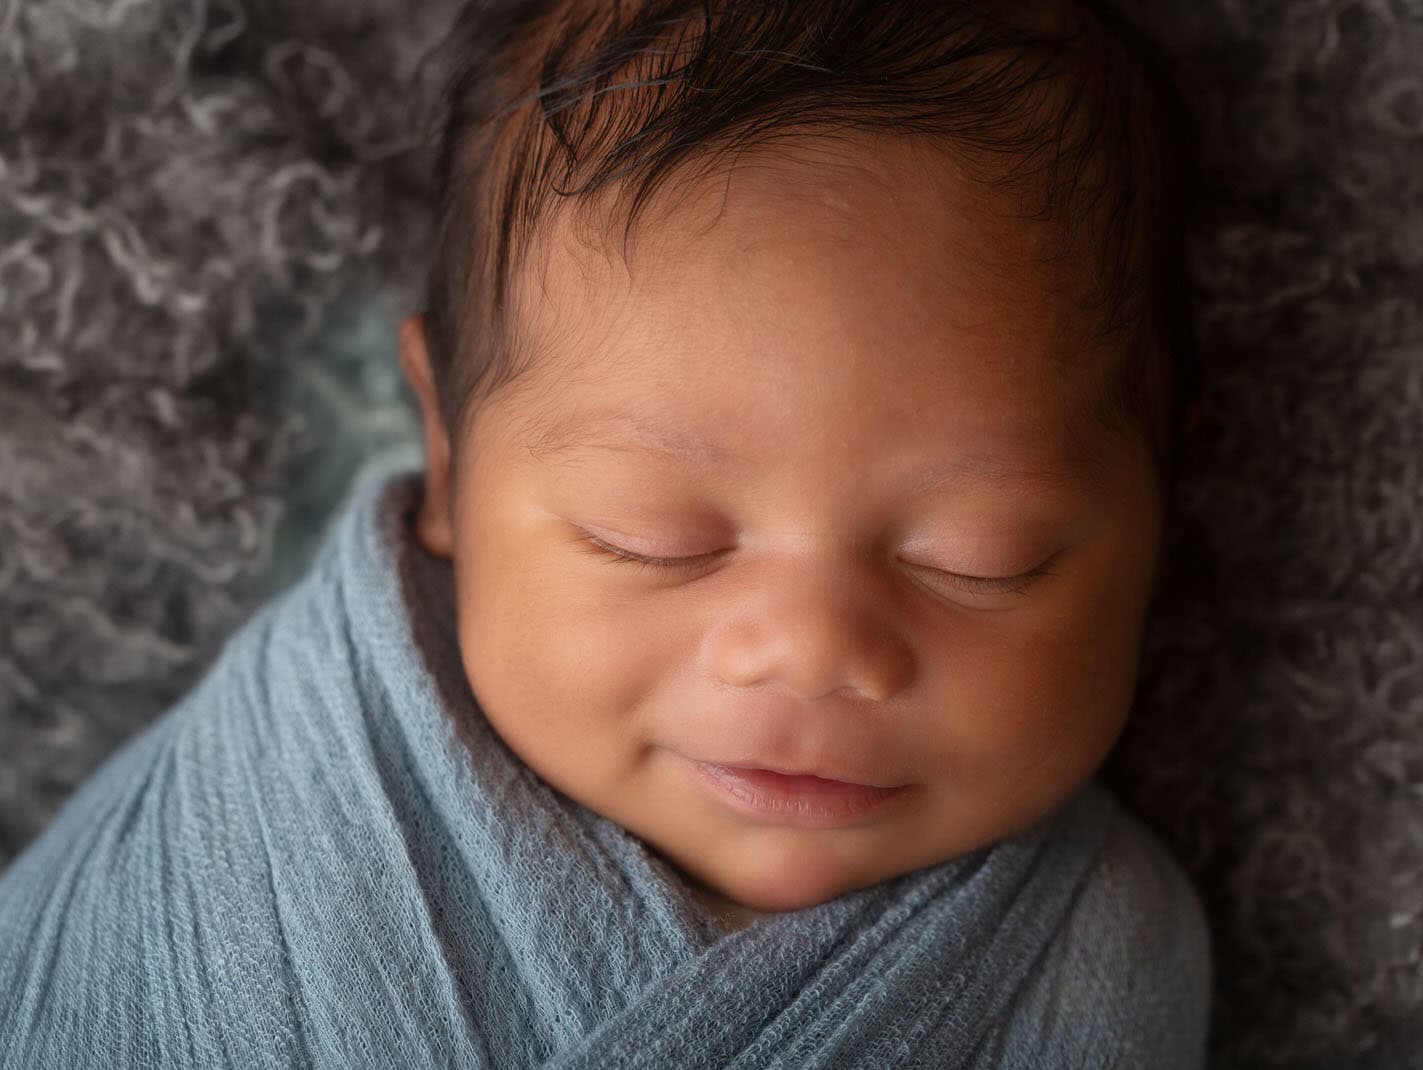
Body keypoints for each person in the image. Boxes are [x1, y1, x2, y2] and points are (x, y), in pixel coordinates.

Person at [0, 0, 1213, 1065]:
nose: (807, 649)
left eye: (980, 556)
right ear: (448, 460)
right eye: (652, 537)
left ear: (1162, 503)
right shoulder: (268, 815)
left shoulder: (1100, 958)